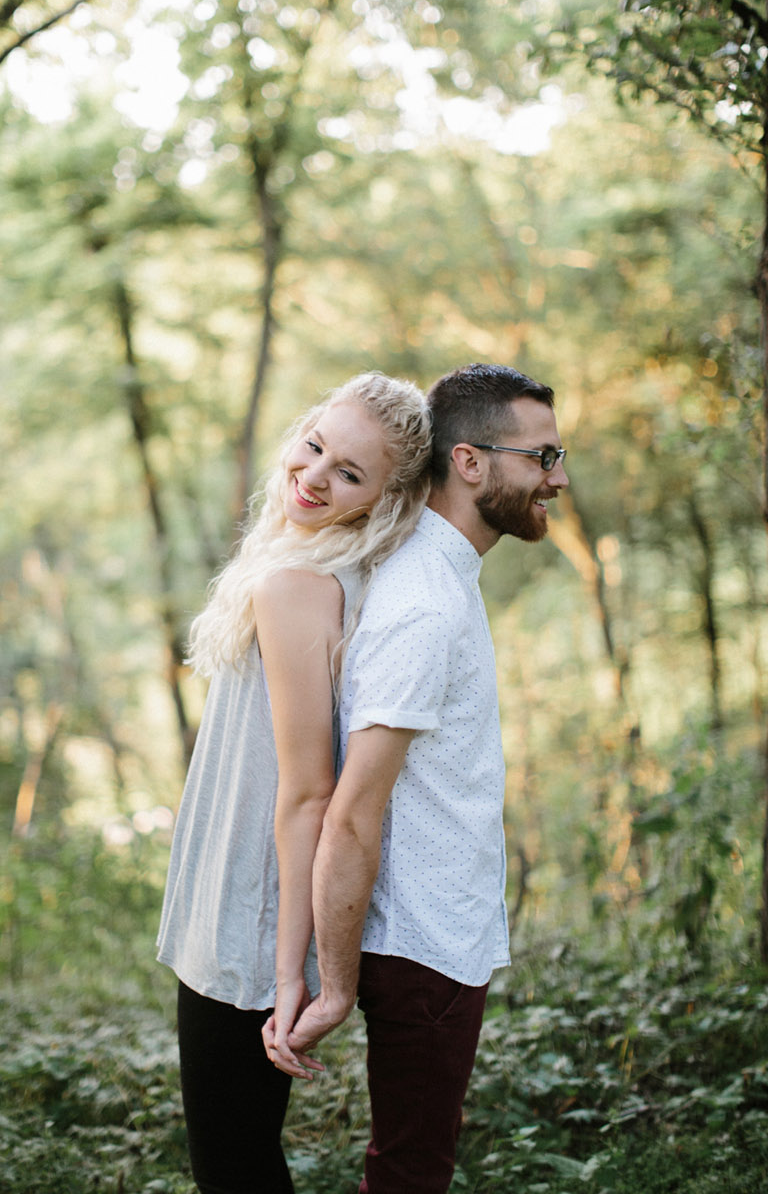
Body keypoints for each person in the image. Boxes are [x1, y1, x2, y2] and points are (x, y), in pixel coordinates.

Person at [278, 363, 570, 1193]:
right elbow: (351, 812)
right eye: (542, 457)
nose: (558, 477)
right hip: (422, 946)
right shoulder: (423, 604)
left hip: (438, 936)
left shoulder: (437, 573)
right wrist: (333, 989)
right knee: (410, 1173)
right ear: (471, 463)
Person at [156, 373, 433, 1194]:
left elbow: (311, 789)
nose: (314, 476)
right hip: (255, 902)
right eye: (314, 445)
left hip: (257, 908)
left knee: (232, 1164)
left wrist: (286, 973)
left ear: (387, 497)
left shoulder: (298, 586)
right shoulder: (327, 568)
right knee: (242, 1151)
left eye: (349, 472)